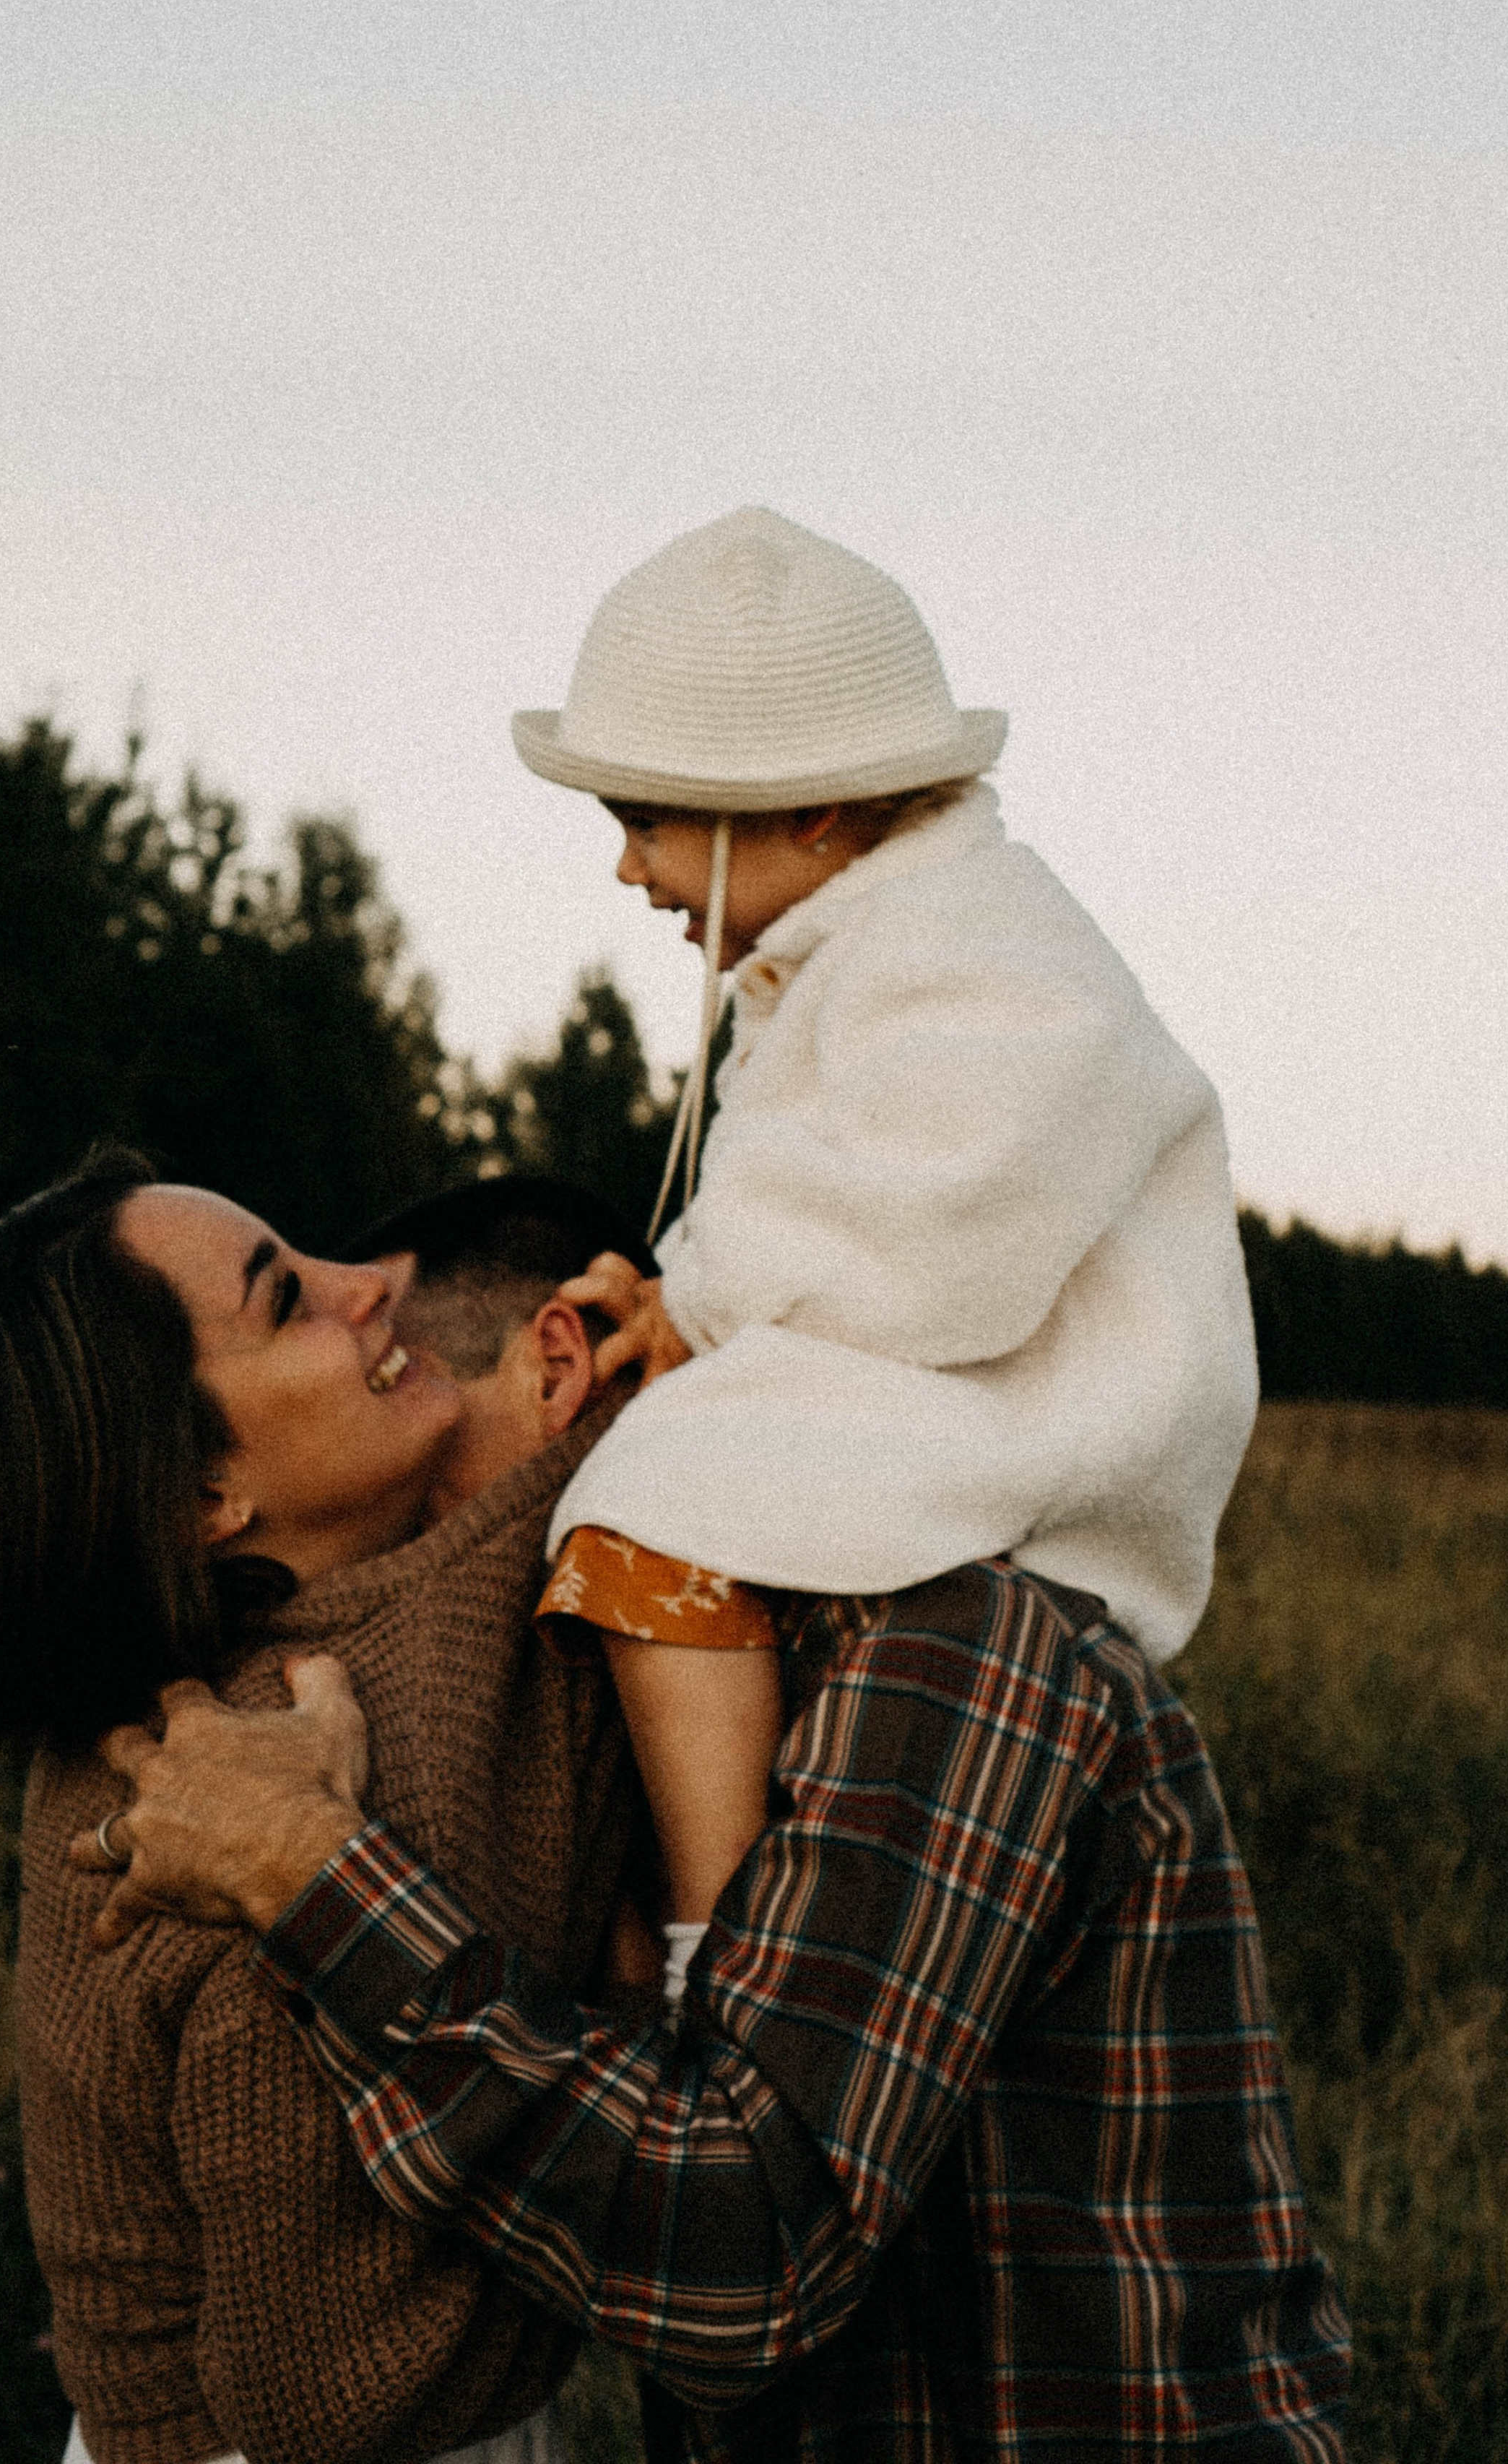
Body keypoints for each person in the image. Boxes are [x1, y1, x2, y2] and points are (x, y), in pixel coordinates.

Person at [72, 1533, 1352, 2460]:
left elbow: (740, 2248)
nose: (366, 1302)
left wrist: (305, 1875)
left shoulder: (950, 1650)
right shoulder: (542, 1709)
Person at [511, 505, 1260, 1987]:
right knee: (636, 1447)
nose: (626, 872)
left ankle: (717, 1945)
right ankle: (632, 1876)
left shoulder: (987, 948)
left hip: (1042, 1402)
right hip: (943, 1371)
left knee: (654, 1501)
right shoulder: (855, 945)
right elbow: (833, 1204)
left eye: (643, 825)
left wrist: (706, 1311)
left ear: (807, 813)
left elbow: (940, 1236)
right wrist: (682, 1309)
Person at [0, 1150, 658, 2464]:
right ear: (205, 1497)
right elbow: (330, 2398)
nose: (374, 1283)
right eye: (286, 1299)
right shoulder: (308, 1746)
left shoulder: (178, 1704)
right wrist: (644, 1388)